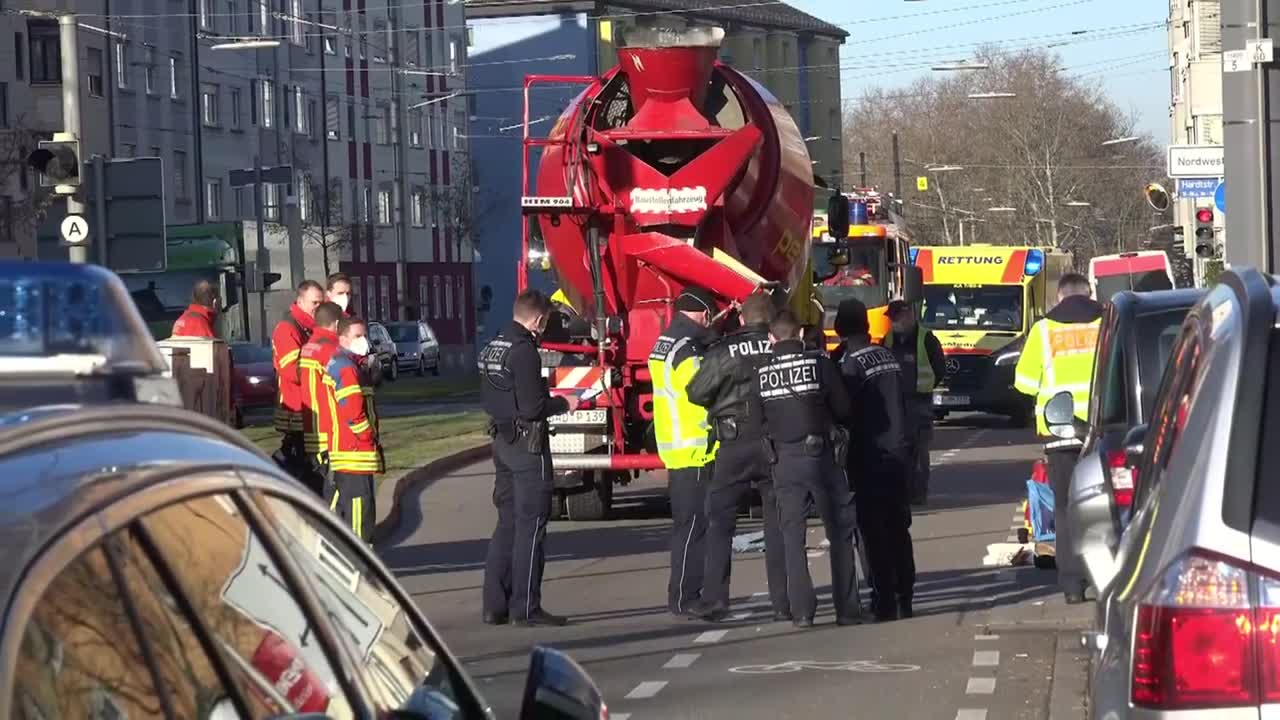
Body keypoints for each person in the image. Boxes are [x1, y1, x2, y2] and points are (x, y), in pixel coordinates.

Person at [478, 289, 582, 627]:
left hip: (502, 442)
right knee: (532, 526)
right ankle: (526, 607)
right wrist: (566, 403)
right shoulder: (524, 352)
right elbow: (533, 407)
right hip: (527, 445)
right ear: (538, 319)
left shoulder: (495, 345)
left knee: (506, 523)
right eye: (546, 321)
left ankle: (495, 605)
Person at [686, 293, 790, 622]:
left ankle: (716, 600)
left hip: (733, 445)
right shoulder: (781, 347)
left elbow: (696, 392)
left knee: (719, 523)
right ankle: (783, 602)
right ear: (772, 321)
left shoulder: (725, 350)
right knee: (778, 525)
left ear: (742, 319)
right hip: (775, 445)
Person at [757, 310, 856, 627]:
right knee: (840, 533)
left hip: (784, 461)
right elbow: (843, 408)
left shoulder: (761, 372)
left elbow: (758, 421)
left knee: (791, 538)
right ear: (800, 335)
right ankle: (848, 610)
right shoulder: (820, 364)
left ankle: (802, 612)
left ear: (771, 339)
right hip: (821, 457)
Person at [1013, 272, 1103, 605]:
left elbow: (1023, 381)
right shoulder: (1106, 322)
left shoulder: (1044, 329)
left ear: (1059, 297)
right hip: (1102, 430)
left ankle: (1072, 585)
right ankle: (1101, 576)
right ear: (1089, 293)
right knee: (1101, 506)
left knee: (1064, 508)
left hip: (1060, 431)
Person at [836, 298, 915, 621]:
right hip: (899, 451)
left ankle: (883, 600)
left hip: (868, 455)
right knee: (899, 527)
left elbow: (842, 409)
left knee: (872, 532)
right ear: (866, 327)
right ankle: (905, 596)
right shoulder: (888, 355)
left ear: (840, 329)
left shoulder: (848, 363)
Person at [648, 285, 719, 618]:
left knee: (686, 525)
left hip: (676, 445)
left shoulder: (667, 341)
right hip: (694, 447)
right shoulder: (687, 348)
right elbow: (702, 390)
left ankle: (685, 594)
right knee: (692, 527)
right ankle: (685, 598)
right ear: (704, 313)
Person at [326, 315, 385, 544]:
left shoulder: (342, 363)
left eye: (364, 335)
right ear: (342, 339)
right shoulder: (347, 369)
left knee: (342, 508)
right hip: (354, 451)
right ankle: (360, 561)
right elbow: (354, 413)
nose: (364, 341)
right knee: (360, 510)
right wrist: (368, 438)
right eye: (357, 336)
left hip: (344, 448)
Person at [884, 300, 946, 506]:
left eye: (896, 318)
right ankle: (901, 491)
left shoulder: (926, 339)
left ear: (909, 316)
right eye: (891, 319)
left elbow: (939, 369)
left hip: (919, 402)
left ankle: (918, 493)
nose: (893, 323)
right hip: (895, 402)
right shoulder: (889, 338)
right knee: (897, 448)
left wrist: (924, 386)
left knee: (919, 451)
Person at [272, 280, 325, 482]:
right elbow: (292, 372)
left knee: (305, 463)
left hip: (307, 407)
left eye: (321, 303)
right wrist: (322, 373)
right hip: (296, 408)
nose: (318, 308)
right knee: (298, 460)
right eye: (315, 303)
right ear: (301, 301)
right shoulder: (289, 328)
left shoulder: (309, 328)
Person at [298, 302, 345, 497]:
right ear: (335, 324)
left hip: (312, 428)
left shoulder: (308, 347)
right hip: (329, 430)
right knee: (334, 490)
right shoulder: (330, 349)